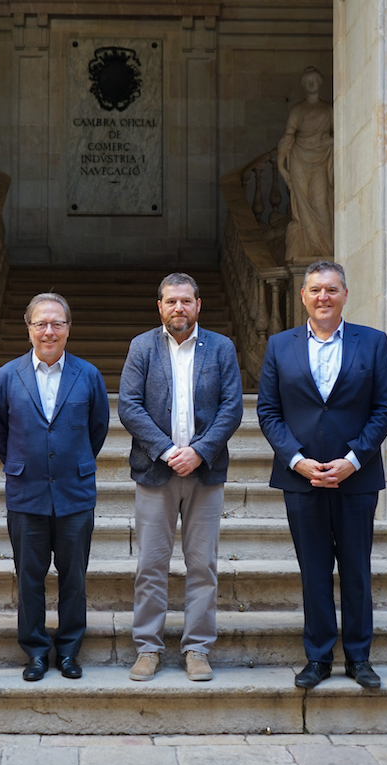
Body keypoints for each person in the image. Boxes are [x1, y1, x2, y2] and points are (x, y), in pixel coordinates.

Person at [256, 261, 387, 690]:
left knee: (356, 569)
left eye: (331, 290)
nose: (323, 297)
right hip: (301, 477)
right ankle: (317, 657)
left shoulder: (372, 342)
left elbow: (385, 408)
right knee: (313, 569)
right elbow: (268, 411)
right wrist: (296, 459)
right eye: (315, 290)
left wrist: (353, 459)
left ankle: (359, 658)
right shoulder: (280, 346)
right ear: (303, 296)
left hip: (356, 477)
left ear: (345, 295)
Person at [118, 273, 243, 682]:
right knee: (151, 564)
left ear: (198, 305)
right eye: (171, 301)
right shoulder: (143, 346)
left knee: (202, 564)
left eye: (186, 301)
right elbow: (130, 407)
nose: (179, 308)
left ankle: (197, 649)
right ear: (160, 306)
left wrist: (199, 451)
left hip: (205, 473)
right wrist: (169, 451)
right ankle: (149, 648)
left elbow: (232, 408)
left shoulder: (221, 347)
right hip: (156, 471)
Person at [0, 293, 110, 682]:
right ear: (29, 329)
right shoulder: (8, 375)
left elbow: (98, 429)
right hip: (27, 493)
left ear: (68, 328)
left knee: (74, 578)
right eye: (41, 323)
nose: (49, 331)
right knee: (29, 577)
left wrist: (73, 461)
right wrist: (26, 463)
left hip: (74, 492)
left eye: (57, 323)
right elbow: (0, 431)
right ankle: (37, 652)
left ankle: (70, 651)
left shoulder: (88, 375)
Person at [277, 66, 334, 261]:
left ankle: (325, 249)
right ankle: (309, 250)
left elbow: (340, 136)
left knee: (320, 205)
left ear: (320, 82)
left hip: (320, 159)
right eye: (307, 80)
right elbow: (287, 138)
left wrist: (332, 141)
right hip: (299, 157)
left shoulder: (328, 110)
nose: (311, 83)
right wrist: (281, 166)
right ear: (303, 84)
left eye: (314, 80)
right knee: (301, 207)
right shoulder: (297, 110)